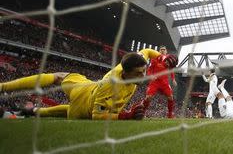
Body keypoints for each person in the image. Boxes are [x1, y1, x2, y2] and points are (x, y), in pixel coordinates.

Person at [0, 48, 175, 120]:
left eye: (144, 71)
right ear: (126, 72)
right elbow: (97, 117)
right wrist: (126, 116)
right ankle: (4, 88)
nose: (142, 76)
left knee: (59, 78)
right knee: (67, 106)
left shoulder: (132, 64)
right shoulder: (110, 83)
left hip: (88, 88)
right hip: (83, 100)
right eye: (138, 73)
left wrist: (162, 57)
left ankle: (29, 111)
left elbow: (146, 52)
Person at [142, 46, 178, 118]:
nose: (162, 51)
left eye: (164, 49)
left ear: (166, 51)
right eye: (161, 50)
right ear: (159, 51)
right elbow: (149, 69)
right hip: (154, 82)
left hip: (164, 83)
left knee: (171, 97)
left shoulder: (170, 60)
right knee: (148, 97)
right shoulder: (155, 59)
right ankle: (142, 112)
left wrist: (173, 79)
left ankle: (170, 114)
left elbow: (172, 70)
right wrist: (150, 76)